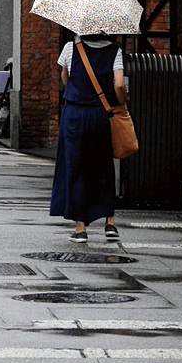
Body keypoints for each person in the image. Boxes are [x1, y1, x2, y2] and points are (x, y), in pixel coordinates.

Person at [50, 33, 127, 244]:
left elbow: (64, 78)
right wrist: (121, 102)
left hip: (74, 115)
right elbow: (119, 84)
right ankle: (110, 223)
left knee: (76, 168)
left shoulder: (70, 48)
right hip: (100, 115)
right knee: (103, 166)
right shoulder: (115, 51)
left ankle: (80, 228)